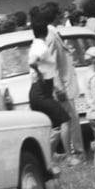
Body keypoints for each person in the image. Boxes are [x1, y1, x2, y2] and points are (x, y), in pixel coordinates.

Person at [39, 2, 83, 164]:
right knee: (69, 121)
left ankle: (50, 154)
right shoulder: (51, 37)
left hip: (64, 84)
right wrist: (58, 87)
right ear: (56, 16)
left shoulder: (53, 34)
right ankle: (76, 153)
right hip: (61, 85)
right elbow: (51, 65)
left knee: (65, 122)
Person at [27, 17, 72, 164]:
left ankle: (47, 157)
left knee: (55, 127)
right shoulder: (42, 47)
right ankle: (69, 156)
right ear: (46, 32)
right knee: (65, 120)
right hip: (41, 92)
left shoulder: (35, 44)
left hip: (40, 91)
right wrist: (38, 72)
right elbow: (32, 62)